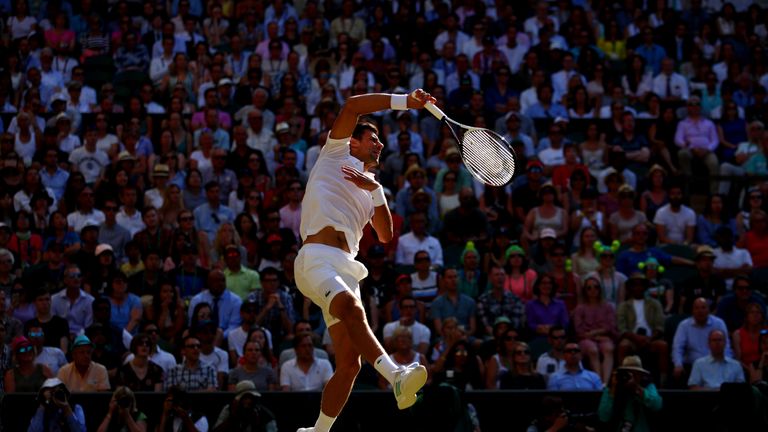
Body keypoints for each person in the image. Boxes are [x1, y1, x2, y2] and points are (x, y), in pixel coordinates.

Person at [291, 88, 430, 432]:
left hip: (346, 267)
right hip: (316, 260)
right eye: (373, 139)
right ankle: (396, 376)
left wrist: (376, 191)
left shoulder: (372, 186)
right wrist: (405, 102)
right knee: (352, 310)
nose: (380, 145)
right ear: (352, 142)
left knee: (350, 365)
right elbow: (353, 105)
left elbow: (385, 235)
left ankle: (318, 431)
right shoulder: (334, 153)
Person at [672, 298, 732, 384]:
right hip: (691, 366)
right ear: (692, 310)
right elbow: (677, 347)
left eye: (703, 308)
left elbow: (726, 346)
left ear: (708, 310)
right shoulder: (684, 325)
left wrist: (728, 364)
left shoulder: (719, 323)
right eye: (697, 308)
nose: (700, 311)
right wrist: (678, 364)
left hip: (715, 364)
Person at [598, 356, 662, 432]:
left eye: (635, 374)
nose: (631, 377)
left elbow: (657, 405)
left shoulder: (647, 385)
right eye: (627, 373)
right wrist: (613, 391)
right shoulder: (612, 388)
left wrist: (637, 388)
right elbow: (603, 416)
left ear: (641, 375)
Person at [213, 380, 278, 432]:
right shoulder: (228, 409)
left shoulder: (264, 414)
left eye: (251, 398)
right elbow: (216, 429)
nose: (248, 401)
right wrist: (233, 418)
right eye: (245, 398)